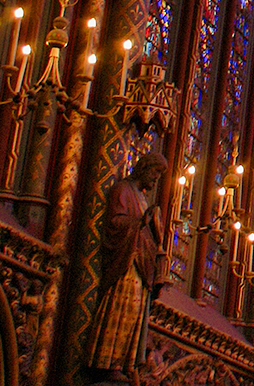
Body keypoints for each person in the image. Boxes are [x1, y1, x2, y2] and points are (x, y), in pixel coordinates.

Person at [82, 151, 168, 382]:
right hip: (125, 264)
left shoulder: (141, 198)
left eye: (159, 176)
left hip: (140, 265)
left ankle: (121, 363)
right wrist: (142, 221)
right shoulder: (123, 189)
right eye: (154, 173)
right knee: (119, 310)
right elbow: (115, 222)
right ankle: (107, 362)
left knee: (133, 315)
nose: (155, 180)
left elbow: (147, 232)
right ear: (144, 168)